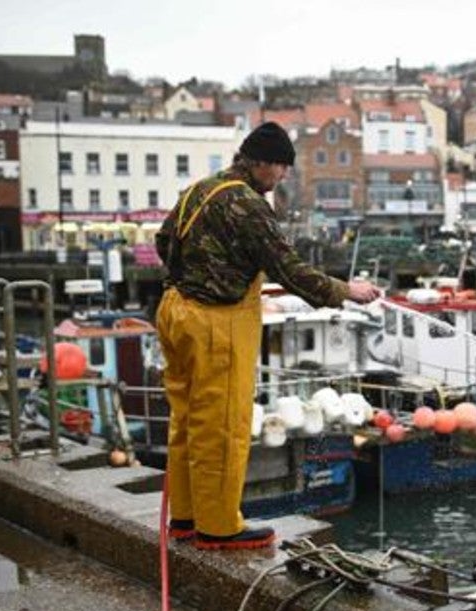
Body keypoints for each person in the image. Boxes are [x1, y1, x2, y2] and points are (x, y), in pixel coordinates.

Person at [155, 121, 379, 550]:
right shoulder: (249, 205)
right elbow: (288, 269)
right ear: (262, 164)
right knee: (222, 425)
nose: (283, 177)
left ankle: (185, 517)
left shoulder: (200, 190)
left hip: (174, 311)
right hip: (215, 322)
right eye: (281, 168)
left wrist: (210, 269)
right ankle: (218, 528)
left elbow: (165, 242)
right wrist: (347, 291)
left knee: (187, 421)